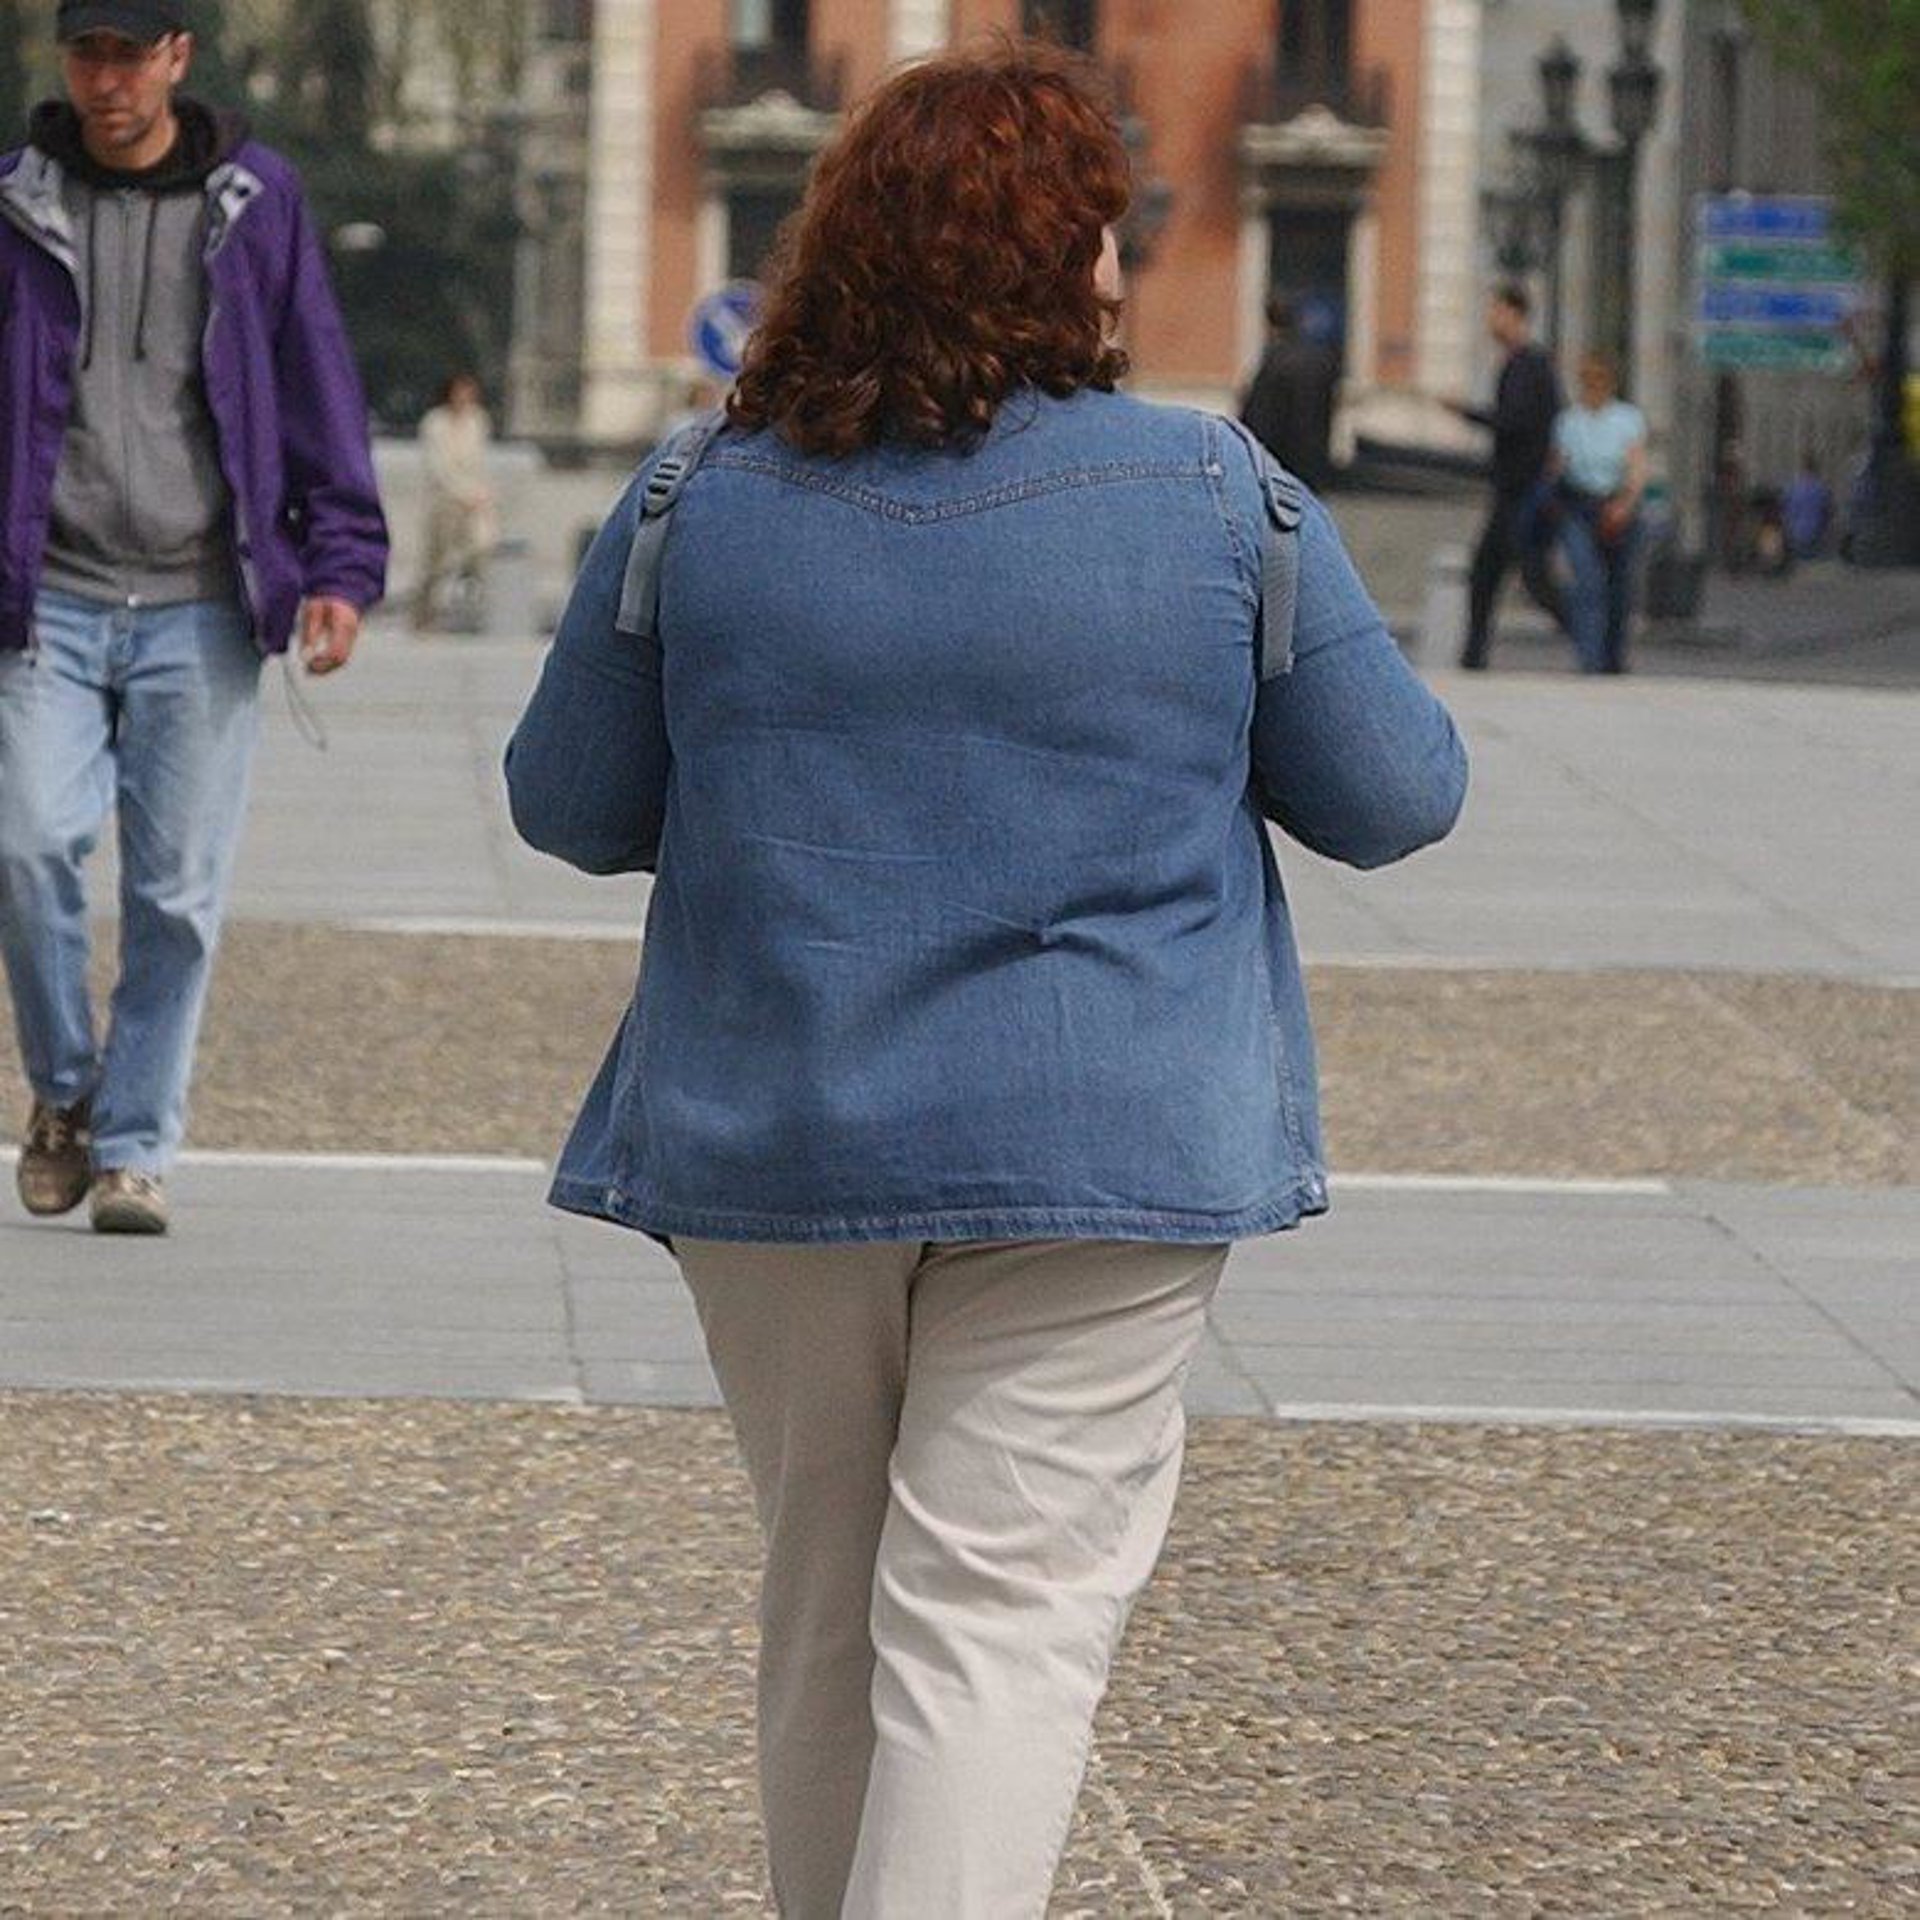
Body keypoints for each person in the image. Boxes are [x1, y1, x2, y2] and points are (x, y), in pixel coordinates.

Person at [507, 43, 1466, 1919]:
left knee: (827, 1605)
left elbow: (566, 802)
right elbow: (1397, 796)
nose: (1121, 266)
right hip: (1102, 1134)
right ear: (1063, 262)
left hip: (782, 1125)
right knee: (998, 1625)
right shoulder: (1218, 494)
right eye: (1104, 231)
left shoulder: (700, 497)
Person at [0, 0, 387, 1236]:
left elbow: (316, 378)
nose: (107, 79)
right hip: (45, 599)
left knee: (175, 896)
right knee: (25, 847)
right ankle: (67, 1089)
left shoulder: (255, 204)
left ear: (177, 59)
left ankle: (133, 1148)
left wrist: (341, 566)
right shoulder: (15, 203)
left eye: (131, 55)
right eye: (88, 53)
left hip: (202, 603)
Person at [1446, 283, 1566, 669]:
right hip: (1513, 486)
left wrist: (1467, 412)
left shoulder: (1529, 365)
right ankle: (1473, 653)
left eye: (1496, 311)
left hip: (1523, 488)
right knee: (1493, 572)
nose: (1490, 320)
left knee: (1526, 576)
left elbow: (1516, 421)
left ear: (1515, 314)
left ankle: (1589, 636)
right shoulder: (1521, 363)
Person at [1550, 350, 1648, 675]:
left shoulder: (1627, 419)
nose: (1593, 386)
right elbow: (1558, 466)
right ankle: (1588, 658)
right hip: (1580, 506)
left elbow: (1636, 467)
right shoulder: (1568, 421)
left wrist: (1625, 504)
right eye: (1587, 380)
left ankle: (1612, 657)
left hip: (1617, 503)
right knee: (1587, 581)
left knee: (1619, 586)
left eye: (1599, 379)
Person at [413, 371, 498, 633]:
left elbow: (480, 462)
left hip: (474, 500)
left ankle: (473, 609)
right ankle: (424, 615)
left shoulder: (478, 421)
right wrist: (462, 493)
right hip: (444, 501)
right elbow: (438, 468)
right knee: (436, 562)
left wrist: (481, 494)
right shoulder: (434, 423)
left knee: (481, 549)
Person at [1239, 292, 1339, 490]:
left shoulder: (1276, 361)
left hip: (1282, 460)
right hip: (1313, 457)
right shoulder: (1321, 359)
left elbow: (1260, 417)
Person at [1782, 452, 1834, 561]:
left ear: (1802, 469)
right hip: (1815, 542)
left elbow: (1784, 512)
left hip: (1795, 540)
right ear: (1817, 470)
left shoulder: (1792, 488)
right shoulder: (1822, 489)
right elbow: (1830, 513)